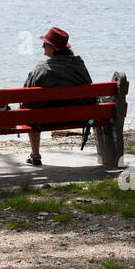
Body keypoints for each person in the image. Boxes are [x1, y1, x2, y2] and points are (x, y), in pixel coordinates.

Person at [21, 26, 94, 166]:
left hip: (44, 120)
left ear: (53, 48)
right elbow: (89, 87)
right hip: (79, 117)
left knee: (32, 111)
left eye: (45, 44)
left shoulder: (41, 68)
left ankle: (35, 155)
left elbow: (26, 97)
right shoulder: (79, 65)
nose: (42, 46)